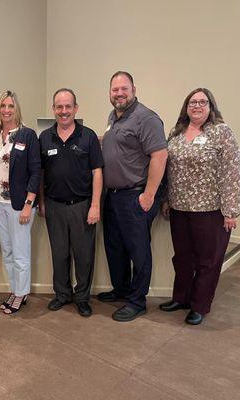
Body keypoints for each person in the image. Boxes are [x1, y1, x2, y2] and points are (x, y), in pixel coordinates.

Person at [159, 88, 240, 325]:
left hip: (211, 211)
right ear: (186, 107)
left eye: (202, 102)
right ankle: (181, 298)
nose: (197, 106)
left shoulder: (221, 132)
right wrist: (165, 199)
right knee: (183, 258)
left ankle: (199, 305)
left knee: (208, 261)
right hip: (179, 208)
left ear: (211, 106)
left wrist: (231, 211)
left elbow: (232, 172)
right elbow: (167, 170)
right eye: (192, 102)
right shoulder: (176, 134)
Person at [98, 71, 168, 322]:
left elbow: (160, 156)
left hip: (135, 195)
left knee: (138, 250)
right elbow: (115, 144)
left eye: (123, 89)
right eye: (115, 90)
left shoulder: (146, 119)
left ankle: (137, 301)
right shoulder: (113, 117)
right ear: (109, 93)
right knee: (114, 247)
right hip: (113, 195)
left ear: (134, 89)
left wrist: (149, 195)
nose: (119, 94)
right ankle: (122, 290)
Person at [39, 88, 103, 317]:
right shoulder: (45, 137)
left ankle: (82, 297)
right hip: (54, 205)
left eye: (68, 106)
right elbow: (41, 173)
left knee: (84, 255)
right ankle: (62, 294)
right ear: (53, 109)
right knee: (59, 254)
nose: (63, 111)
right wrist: (42, 202)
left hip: (82, 206)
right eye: (59, 107)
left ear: (75, 108)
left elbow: (97, 171)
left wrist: (95, 205)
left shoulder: (88, 136)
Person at [0, 91, 41, 314]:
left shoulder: (27, 135)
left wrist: (29, 203)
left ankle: (21, 294)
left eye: (11, 106)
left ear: (16, 108)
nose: (7, 110)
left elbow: (36, 171)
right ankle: (16, 289)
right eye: (3, 106)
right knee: (8, 251)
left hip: (20, 204)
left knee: (20, 252)